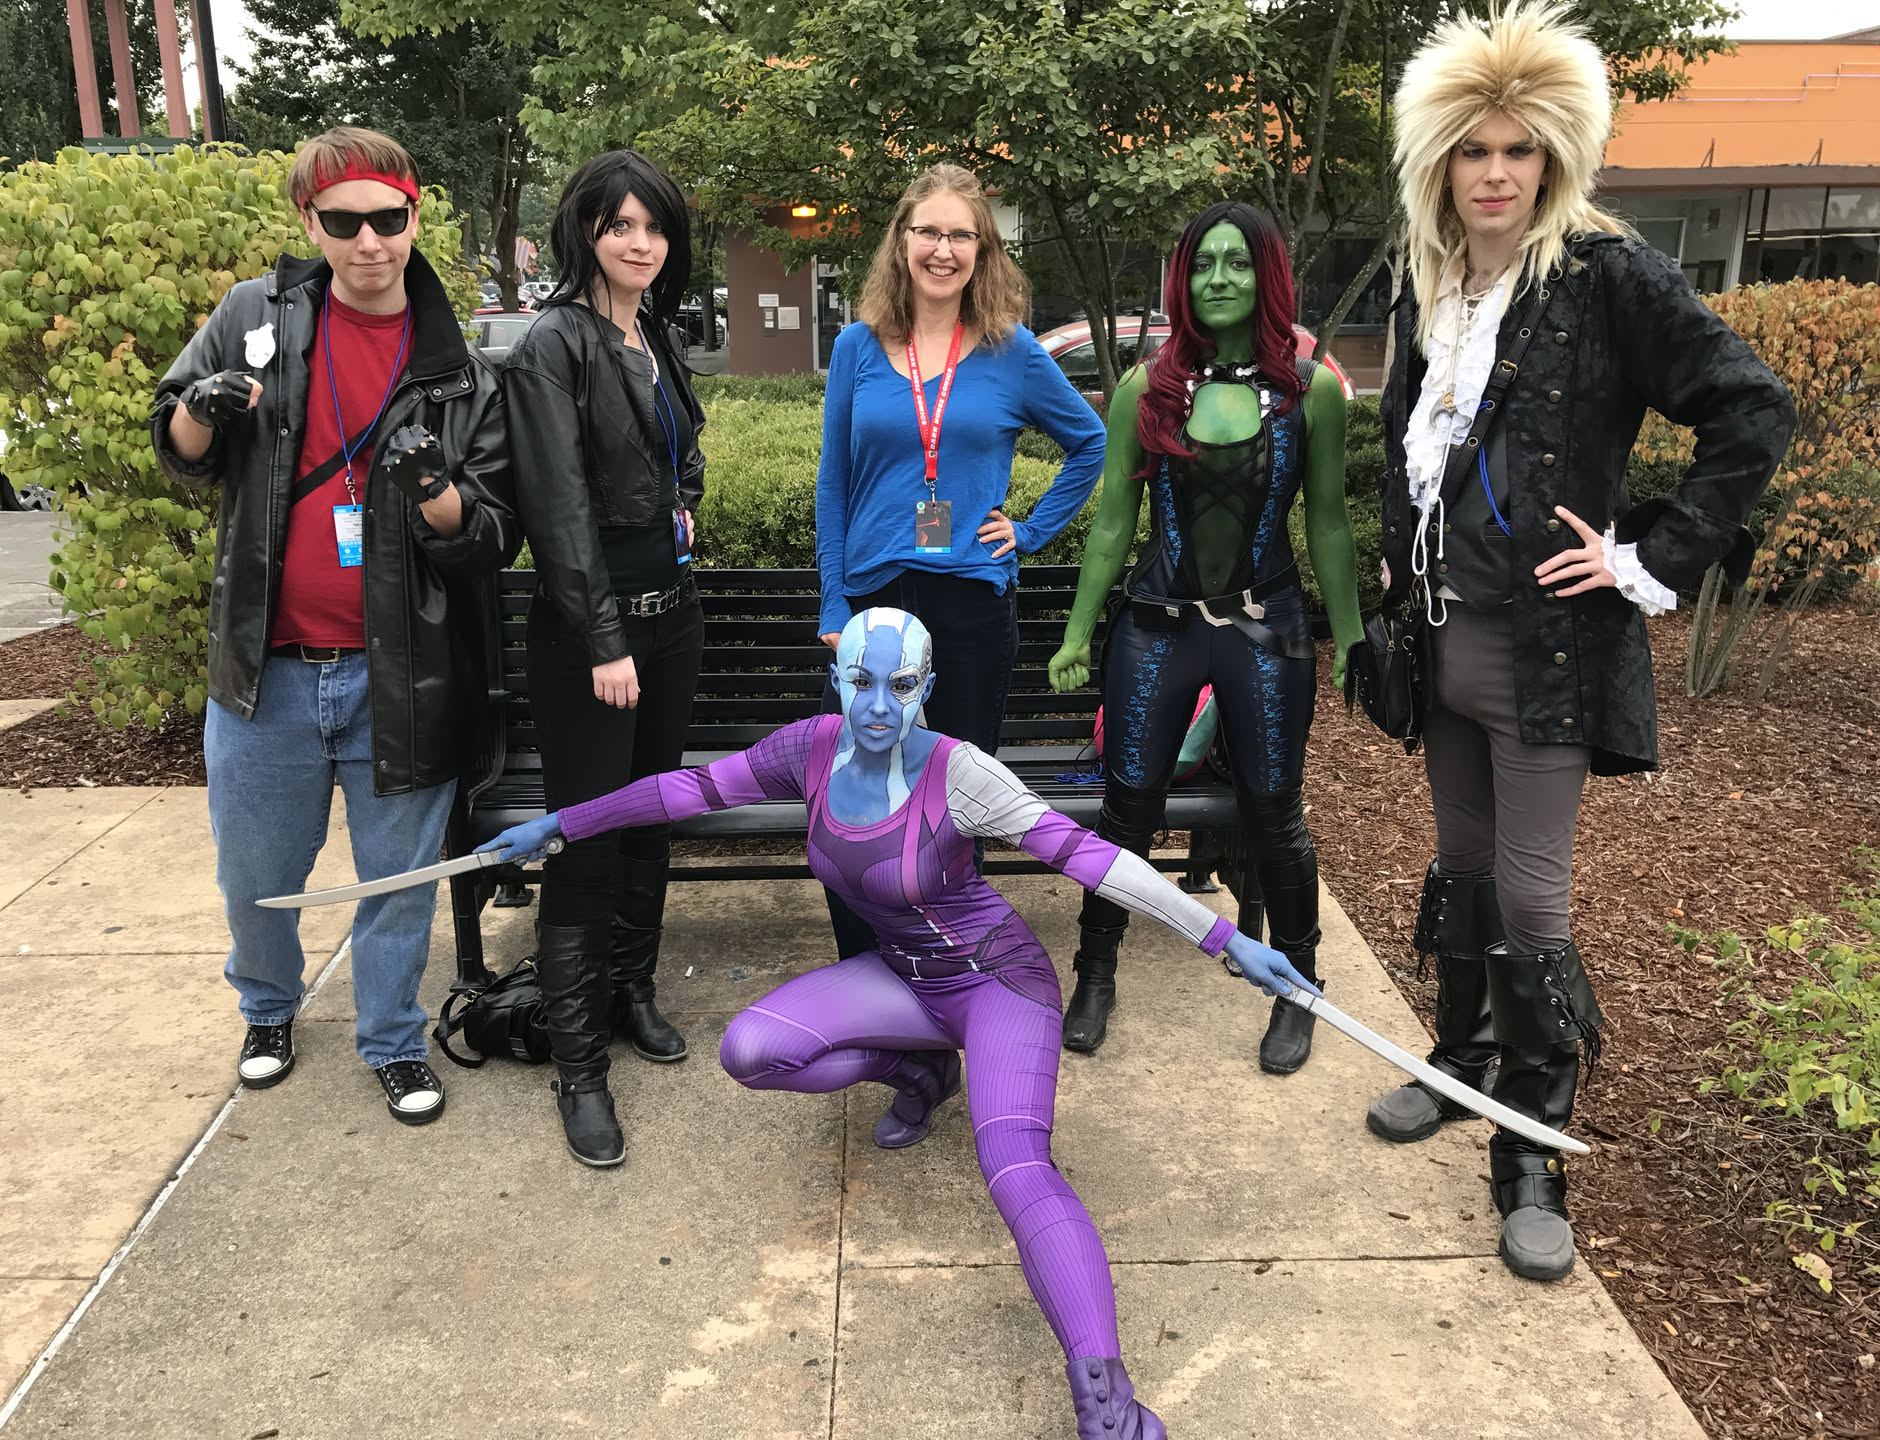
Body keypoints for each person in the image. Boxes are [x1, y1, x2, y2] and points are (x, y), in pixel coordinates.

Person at [479, 608, 1314, 1439]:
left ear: (928, 687)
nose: (880, 706)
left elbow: (1089, 856)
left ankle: (1108, 1399)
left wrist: (1224, 938)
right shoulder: (808, 749)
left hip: (997, 985)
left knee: (1016, 1169)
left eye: (903, 685)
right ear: (837, 681)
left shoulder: (961, 774)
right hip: (904, 979)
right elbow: (687, 789)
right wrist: (562, 824)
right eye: (862, 682)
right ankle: (919, 1071)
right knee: (752, 1051)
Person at [1362, 1, 1793, 1280]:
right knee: (1463, 868)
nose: (1496, 174)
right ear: (1439, 159)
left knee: (1533, 898)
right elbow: (1409, 445)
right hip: (1441, 645)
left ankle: (1534, 1152)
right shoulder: (1431, 280)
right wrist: (1394, 555)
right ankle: (1463, 1061)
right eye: (1474, 150)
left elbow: (1752, 409)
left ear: (1556, 155)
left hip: (1544, 655)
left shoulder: (1607, 274)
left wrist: (1646, 555)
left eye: (1520, 151)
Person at [150, 126, 518, 1124]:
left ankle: (391, 1039)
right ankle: (267, 1010)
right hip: (264, 670)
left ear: (413, 217)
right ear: (308, 221)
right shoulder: (253, 315)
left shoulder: (460, 371)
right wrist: (202, 409)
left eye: (388, 219)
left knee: (398, 881)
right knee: (256, 875)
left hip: (403, 674)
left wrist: (437, 492)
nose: (369, 242)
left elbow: (490, 536)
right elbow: (179, 451)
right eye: (344, 222)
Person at [1046, 202, 1363, 1071]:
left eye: (1237, 261)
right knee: (1126, 809)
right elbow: (1114, 524)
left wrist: (1353, 640)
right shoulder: (1147, 389)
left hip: (1268, 628)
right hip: (1157, 627)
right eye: (1202, 263)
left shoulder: (1310, 390)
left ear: (1268, 274)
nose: (1218, 278)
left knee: (1274, 810)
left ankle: (1299, 987)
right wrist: (1077, 634)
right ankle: (1095, 975)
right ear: (1181, 279)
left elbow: (1329, 524)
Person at [815, 162, 1107, 957]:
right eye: (928, 232)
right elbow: (834, 484)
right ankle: (867, 968)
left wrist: (1031, 531)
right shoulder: (856, 347)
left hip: (972, 607)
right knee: (859, 798)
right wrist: (833, 602)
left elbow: (1090, 443)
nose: (942, 250)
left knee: (953, 804)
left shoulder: (1013, 353)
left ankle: (945, 970)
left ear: (983, 249)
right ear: (901, 240)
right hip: (873, 604)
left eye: (960, 235)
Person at [498, 150, 708, 1168]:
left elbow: (674, 460)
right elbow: (556, 507)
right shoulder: (555, 343)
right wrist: (604, 638)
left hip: (674, 621)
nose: (640, 242)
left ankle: (630, 992)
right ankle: (579, 1066)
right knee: (588, 842)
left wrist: (685, 507)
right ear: (584, 230)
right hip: (596, 639)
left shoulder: (651, 332)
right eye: (620, 224)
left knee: (651, 820)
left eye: (654, 226)